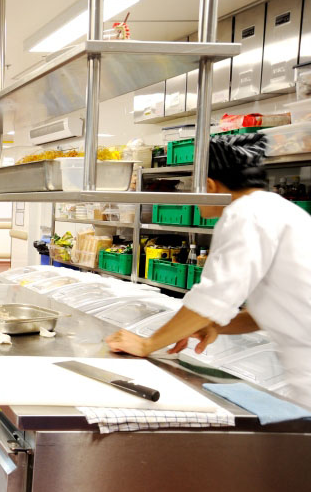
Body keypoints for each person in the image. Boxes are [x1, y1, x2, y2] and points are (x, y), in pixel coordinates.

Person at [105, 133, 311, 407]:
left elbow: (212, 298)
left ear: (210, 186)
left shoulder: (246, 215)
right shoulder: (277, 210)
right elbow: (272, 311)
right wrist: (212, 326)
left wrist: (147, 344)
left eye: (194, 185)